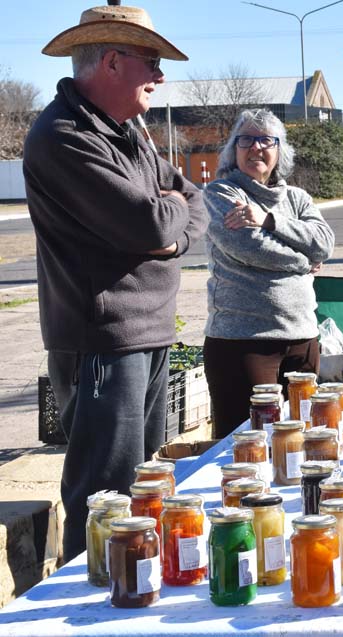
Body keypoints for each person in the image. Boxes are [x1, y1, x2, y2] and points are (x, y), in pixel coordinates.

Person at [23, 4, 208, 561]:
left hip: (144, 334)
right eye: (151, 61)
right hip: (103, 339)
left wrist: (170, 235)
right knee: (105, 495)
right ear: (111, 61)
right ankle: (93, 596)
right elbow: (149, 219)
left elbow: (189, 202)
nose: (160, 76)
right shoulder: (62, 135)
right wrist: (164, 219)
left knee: (144, 484)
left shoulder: (130, 132)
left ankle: (133, 585)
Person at [202, 109, 335, 438]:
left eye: (266, 140)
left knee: (303, 440)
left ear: (280, 150)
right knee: (246, 447)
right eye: (245, 139)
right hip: (243, 342)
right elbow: (251, 248)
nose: (255, 148)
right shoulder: (223, 194)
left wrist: (269, 220)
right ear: (234, 148)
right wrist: (305, 262)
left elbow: (325, 243)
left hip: (302, 338)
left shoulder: (297, 199)